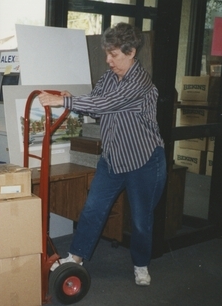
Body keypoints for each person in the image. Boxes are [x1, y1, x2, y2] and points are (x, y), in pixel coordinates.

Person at [38, 22, 167, 286]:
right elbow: (97, 108)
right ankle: (76, 257)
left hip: (144, 161)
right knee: (92, 209)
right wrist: (73, 99)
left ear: (131, 53)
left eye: (114, 54)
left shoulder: (140, 83)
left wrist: (64, 101)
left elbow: (107, 103)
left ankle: (141, 265)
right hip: (113, 159)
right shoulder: (109, 77)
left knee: (142, 220)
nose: (108, 60)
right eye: (107, 54)